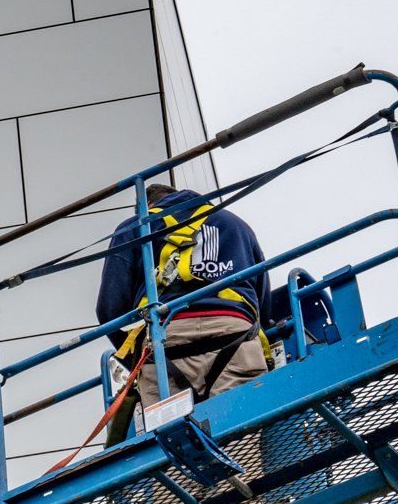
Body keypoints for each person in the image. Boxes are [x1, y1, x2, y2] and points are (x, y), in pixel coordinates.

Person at [96, 182, 270, 445]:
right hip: (235, 337)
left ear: (147, 207)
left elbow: (110, 310)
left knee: (174, 451)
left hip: (165, 343)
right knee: (239, 441)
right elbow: (262, 303)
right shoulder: (234, 224)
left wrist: (138, 357)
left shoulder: (134, 228)